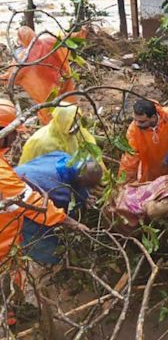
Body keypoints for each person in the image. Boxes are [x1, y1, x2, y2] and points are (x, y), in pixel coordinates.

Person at [0, 100, 89, 265]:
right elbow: (30, 201)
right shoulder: (4, 173)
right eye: (14, 132)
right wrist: (70, 222)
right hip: (7, 235)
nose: (16, 137)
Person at [15, 152, 102, 264]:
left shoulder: (63, 157)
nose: (90, 189)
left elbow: (75, 181)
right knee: (41, 242)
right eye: (89, 185)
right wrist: (76, 225)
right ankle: (51, 261)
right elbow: (57, 217)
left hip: (15, 176)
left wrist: (84, 197)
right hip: (15, 204)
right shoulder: (58, 191)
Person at [0, 26, 87, 124]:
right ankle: (74, 123)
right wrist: (82, 32)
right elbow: (70, 39)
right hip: (63, 82)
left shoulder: (23, 59)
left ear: (21, 40)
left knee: (49, 114)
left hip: (46, 91)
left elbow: (10, 77)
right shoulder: (51, 40)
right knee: (69, 107)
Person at [119, 99, 168, 183]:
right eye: (135, 120)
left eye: (141, 121)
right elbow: (129, 159)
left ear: (153, 117)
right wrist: (124, 182)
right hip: (153, 173)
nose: (137, 124)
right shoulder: (134, 130)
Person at [19, 103, 97, 165]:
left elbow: (89, 143)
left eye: (77, 120)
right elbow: (52, 172)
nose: (76, 125)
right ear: (62, 122)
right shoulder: (46, 144)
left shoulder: (71, 131)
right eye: (71, 122)